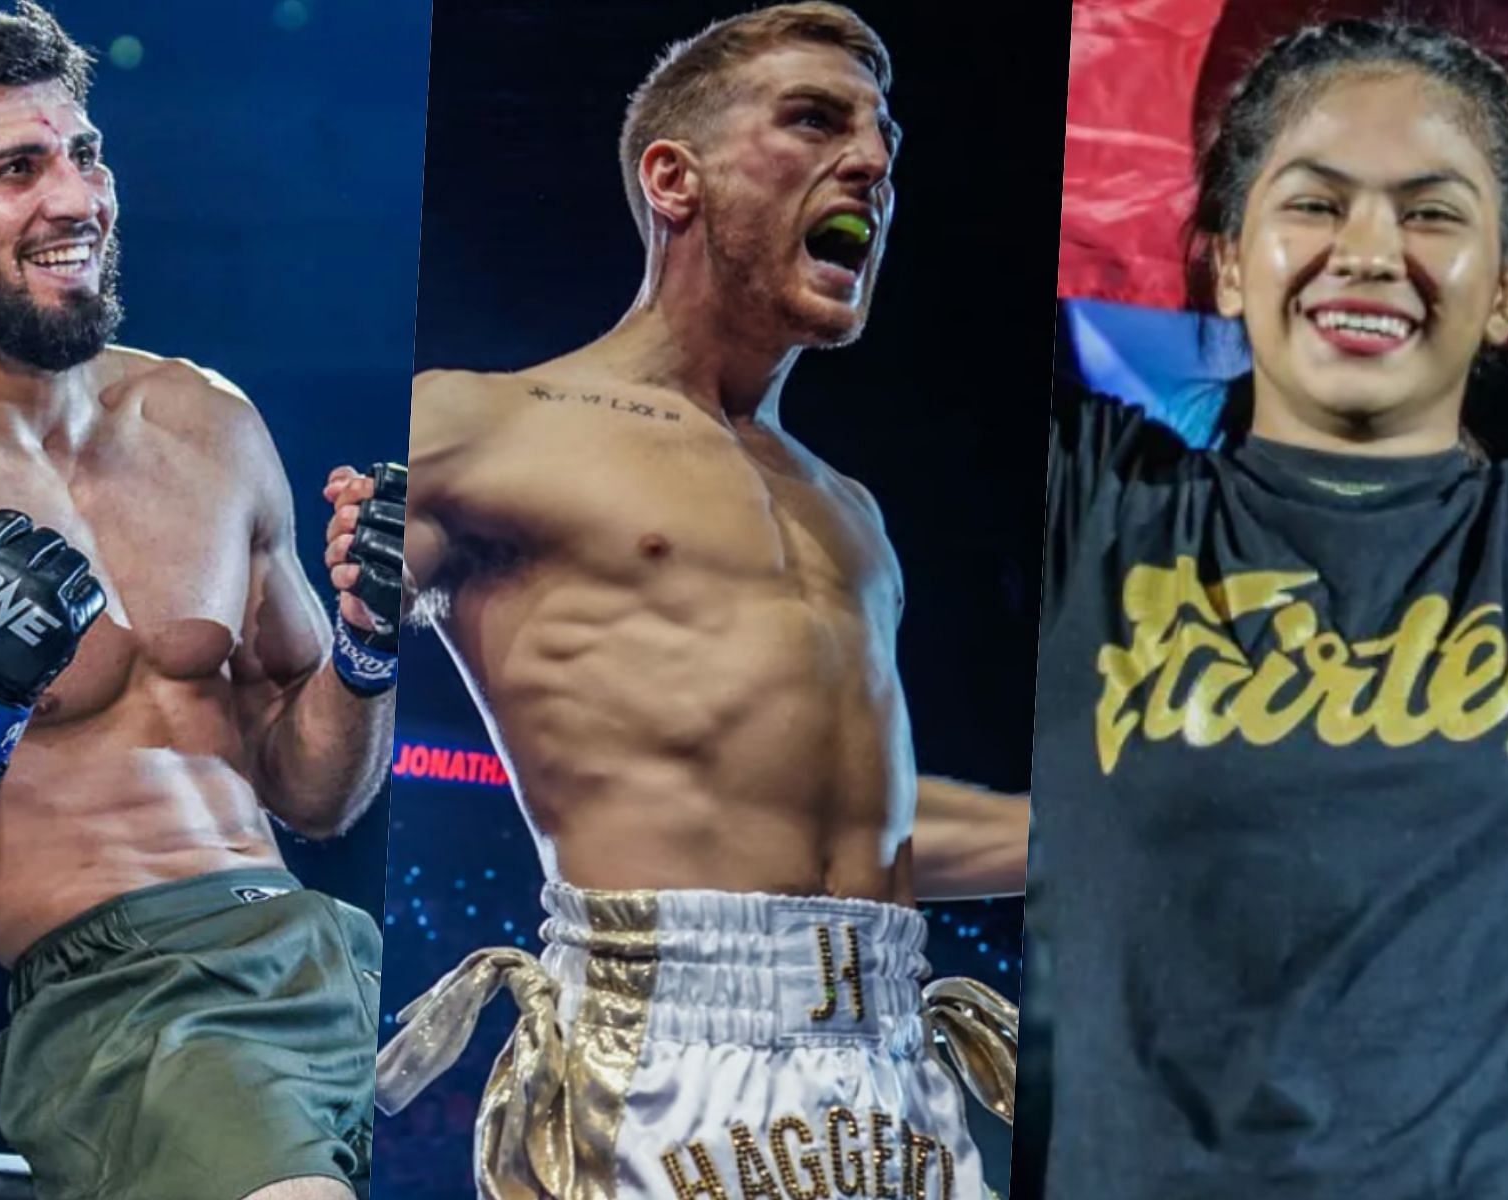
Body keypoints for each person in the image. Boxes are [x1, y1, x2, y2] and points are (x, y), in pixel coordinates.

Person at [369, 4, 1026, 1196]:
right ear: (674, 179)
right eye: (816, 120)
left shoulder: (849, 509)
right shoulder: (480, 425)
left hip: (893, 1072)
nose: (873, 164)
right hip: (658, 1064)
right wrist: (349, 605)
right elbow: (305, 700)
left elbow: (855, 830)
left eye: (886, 139)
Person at [0, 5, 405, 1198]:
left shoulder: (206, 418)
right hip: (135, 1007)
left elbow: (316, 795)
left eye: (84, 153)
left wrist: (364, 649)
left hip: (340, 964)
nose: (79, 200)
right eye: (18, 169)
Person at [1036, 16, 1508, 1199]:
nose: (1371, 250)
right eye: (1316, 204)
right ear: (1229, 261)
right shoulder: (1093, 517)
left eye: (1434, 213)